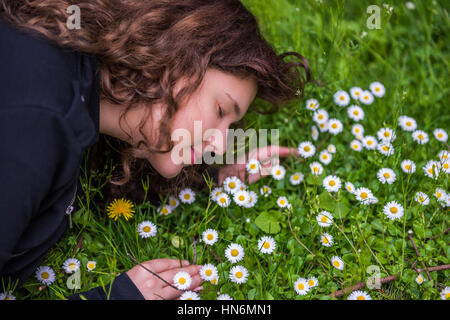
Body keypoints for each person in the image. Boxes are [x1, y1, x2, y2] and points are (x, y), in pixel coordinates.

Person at [0, 0, 308, 300]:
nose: (219, 143)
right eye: (220, 109)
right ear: (174, 59)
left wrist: (216, 175)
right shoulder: (35, 124)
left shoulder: (79, 93)